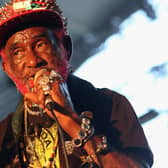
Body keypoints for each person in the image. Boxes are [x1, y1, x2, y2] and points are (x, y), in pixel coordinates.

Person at [0, 0, 153, 167]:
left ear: (66, 48)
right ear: (7, 68)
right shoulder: (5, 135)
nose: (33, 61)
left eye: (40, 44)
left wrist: (71, 121)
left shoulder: (109, 104)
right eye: (18, 52)